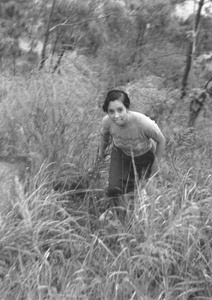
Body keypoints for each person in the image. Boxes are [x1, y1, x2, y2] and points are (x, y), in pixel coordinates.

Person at [99, 89, 166, 216]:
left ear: (127, 108)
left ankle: (137, 207)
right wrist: (101, 154)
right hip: (120, 153)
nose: (116, 116)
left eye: (120, 110)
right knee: (114, 188)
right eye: (111, 111)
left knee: (135, 188)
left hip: (143, 155)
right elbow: (104, 136)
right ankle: (114, 212)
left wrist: (155, 165)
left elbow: (161, 140)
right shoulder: (107, 121)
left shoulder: (143, 123)